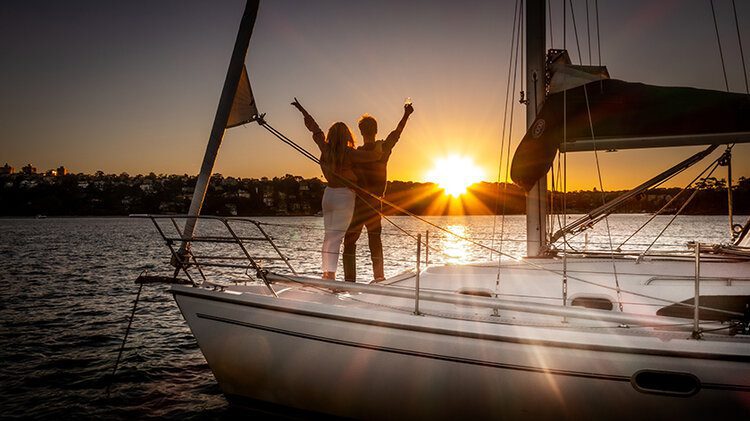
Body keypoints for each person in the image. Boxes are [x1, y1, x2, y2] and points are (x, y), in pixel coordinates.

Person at [292, 98, 382, 280]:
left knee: (328, 237)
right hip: (344, 196)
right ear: (346, 136)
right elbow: (374, 156)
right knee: (337, 238)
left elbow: (315, 130)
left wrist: (303, 111)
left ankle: (326, 273)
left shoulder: (325, 149)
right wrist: (380, 145)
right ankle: (330, 276)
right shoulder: (349, 153)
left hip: (328, 195)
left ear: (331, 135)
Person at [343, 102, 414, 283]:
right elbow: (396, 134)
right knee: (375, 241)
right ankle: (379, 277)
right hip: (375, 204)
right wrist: (406, 115)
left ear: (361, 132)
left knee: (350, 242)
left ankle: (350, 281)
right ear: (375, 130)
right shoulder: (382, 149)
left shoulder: (356, 154)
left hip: (358, 204)